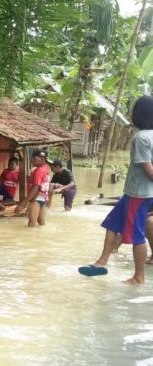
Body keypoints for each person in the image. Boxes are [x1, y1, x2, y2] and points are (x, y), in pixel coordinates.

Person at [79, 95, 153, 284]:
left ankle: (139, 277)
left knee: (137, 235)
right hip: (134, 192)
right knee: (112, 223)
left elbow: (148, 169)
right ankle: (103, 261)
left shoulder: (142, 138)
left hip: (139, 193)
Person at [14, 149, 51, 227]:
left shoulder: (39, 170)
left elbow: (35, 188)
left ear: (42, 159)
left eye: (34, 158)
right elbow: (48, 187)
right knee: (41, 223)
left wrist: (22, 204)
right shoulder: (46, 169)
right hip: (43, 199)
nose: (32, 160)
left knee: (31, 224)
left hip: (36, 199)